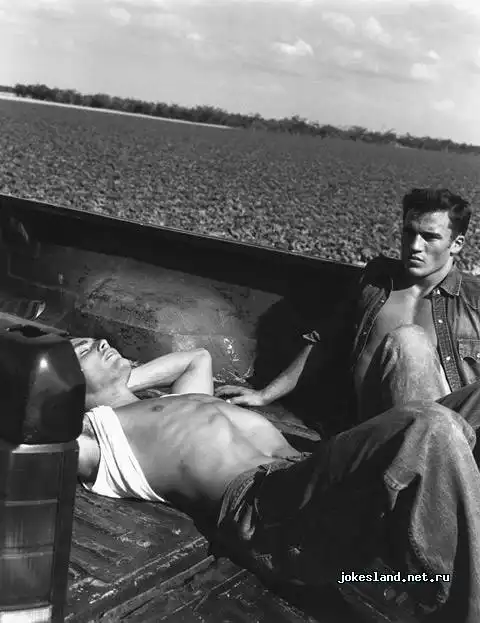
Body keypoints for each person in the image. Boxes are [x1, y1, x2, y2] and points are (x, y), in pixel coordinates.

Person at [71, 336, 480, 623]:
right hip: (267, 513)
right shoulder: (100, 435)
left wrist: (121, 381)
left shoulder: (176, 399)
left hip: (313, 477)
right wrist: (77, 396)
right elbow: (36, 444)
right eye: (84, 349)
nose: (101, 342)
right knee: (429, 425)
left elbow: (197, 358)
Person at [216, 188, 480, 425]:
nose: (414, 246)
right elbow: (324, 342)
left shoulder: (473, 301)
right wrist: (265, 395)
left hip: (452, 429)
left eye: (429, 237)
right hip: (382, 430)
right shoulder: (376, 282)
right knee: (408, 341)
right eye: (409, 232)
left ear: (456, 244)